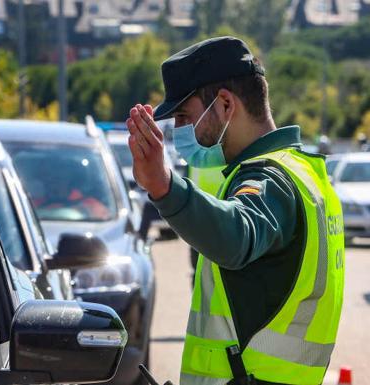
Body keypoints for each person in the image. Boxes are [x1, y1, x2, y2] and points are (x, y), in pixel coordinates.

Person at [126, 36, 345, 384]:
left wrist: (163, 185)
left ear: (226, 104)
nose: (179, 130)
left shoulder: (270, 179)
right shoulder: (304, 172)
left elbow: (237, 236)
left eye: (185, 115)